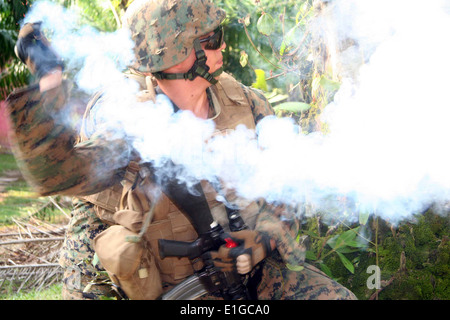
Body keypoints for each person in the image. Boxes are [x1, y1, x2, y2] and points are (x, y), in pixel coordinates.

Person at [6, 0, 357, 300]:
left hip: (253, 280)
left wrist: (260, 242)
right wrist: (49, 75)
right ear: (175, 53)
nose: (222, 48)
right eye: (211, 40)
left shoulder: (247, 104)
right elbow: (54, 173)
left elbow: (286, 192)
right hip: (172, 288)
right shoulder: (129, 123)